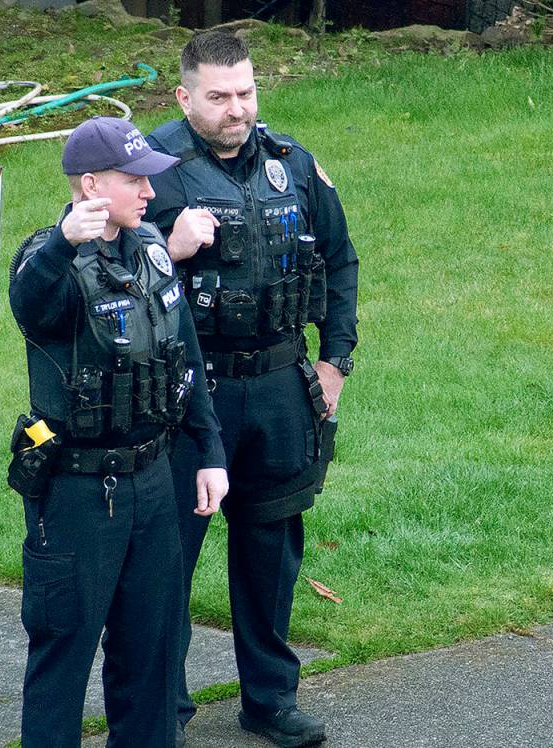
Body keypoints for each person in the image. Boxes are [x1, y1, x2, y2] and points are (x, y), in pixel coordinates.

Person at [145, 32, 359, 747]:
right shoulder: (150, 173)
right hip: (188, 393)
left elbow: (339, 260)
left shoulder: (292, 164)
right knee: (167, 557)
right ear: (184, 97)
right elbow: (104, 279)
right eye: (218, 97)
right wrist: (165, 250)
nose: (236, 110)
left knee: (272, 552)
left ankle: (270, 702)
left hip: (278, 386)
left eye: (245, 93)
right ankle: (160, 712)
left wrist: (334, 363)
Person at [8, 116, 229, 748]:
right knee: (64, 652)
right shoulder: (47, 260)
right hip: (79, 493)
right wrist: (60, 243)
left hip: (155, 480)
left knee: (152, 650)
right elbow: (31, 306)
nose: (150, 193)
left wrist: (209, 450)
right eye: (135, 181)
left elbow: (184, 359)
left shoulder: (153, 248)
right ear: (89, 186)